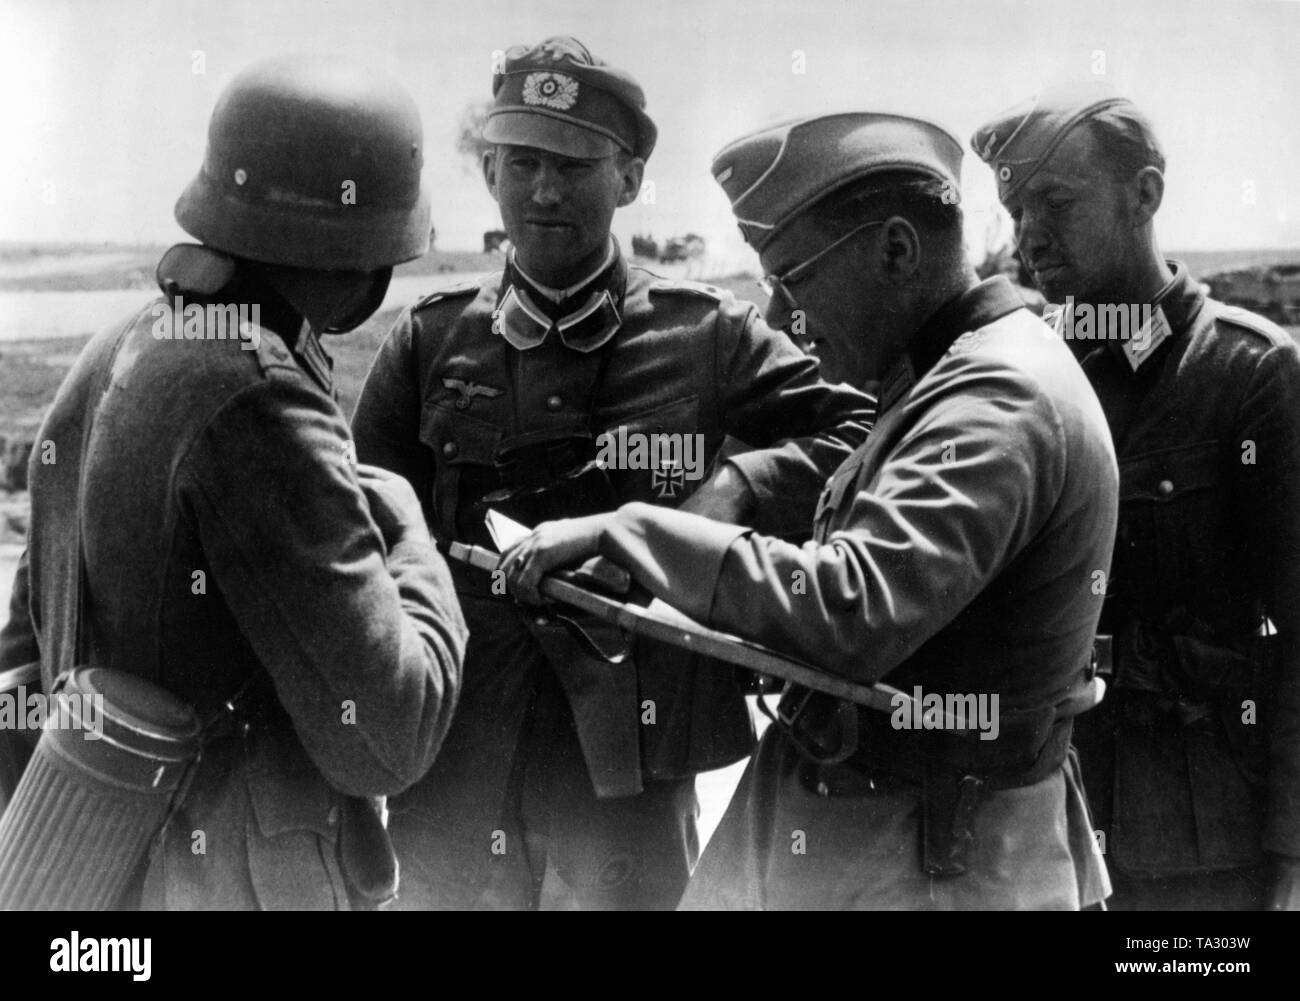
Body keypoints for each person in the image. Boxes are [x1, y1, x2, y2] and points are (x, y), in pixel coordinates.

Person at [501, 111, 1119, 910]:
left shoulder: (997, 396)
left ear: (896, 251)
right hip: (884, 831)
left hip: (928, 857)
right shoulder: (940, 379)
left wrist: (635, 528)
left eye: (795, 278)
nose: (778, 315)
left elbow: (852, 607)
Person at [351, 36, 874, 910]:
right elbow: (367, 515)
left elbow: (859, 424)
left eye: (574, 165)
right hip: (460, 751)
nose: (544, 191)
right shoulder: (430, 338)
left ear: (629, 180)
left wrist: (733, 490)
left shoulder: (707, 332)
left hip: (628, 759)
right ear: (489, 174)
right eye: (520, 164)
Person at [0, 55, 466, 910]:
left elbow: (25, 645)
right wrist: (408, 540)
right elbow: (388, 737)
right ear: (363, 260)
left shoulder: (120, 348)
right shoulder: (258, 397)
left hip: (99, 879)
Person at [972, 83, 1300, 910]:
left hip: (1197, 836)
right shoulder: (1019, 372)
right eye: (1015, 211)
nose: (1029, 237)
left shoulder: (1248, 374)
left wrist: (1293, 846)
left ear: (1144, 194)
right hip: (1035, 820)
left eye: (1053, 202)